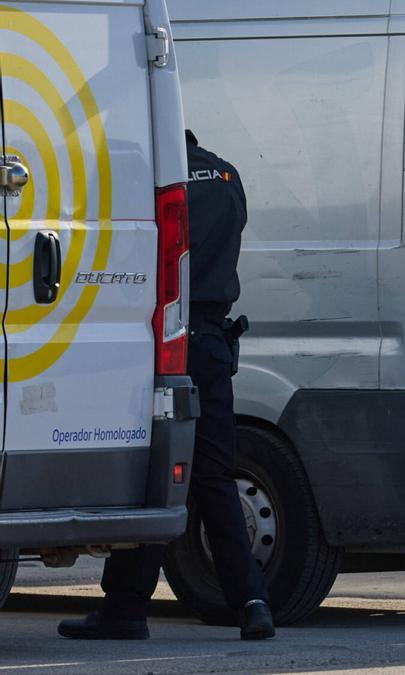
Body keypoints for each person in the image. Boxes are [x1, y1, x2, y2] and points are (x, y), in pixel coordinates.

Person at [59, 131, 275, 640]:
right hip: (213, 342)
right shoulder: (226, 175)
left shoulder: (158, 181)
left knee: (157, 474)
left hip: (163, 341)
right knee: (216, 477)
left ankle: (127, 608)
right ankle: (253, 603)